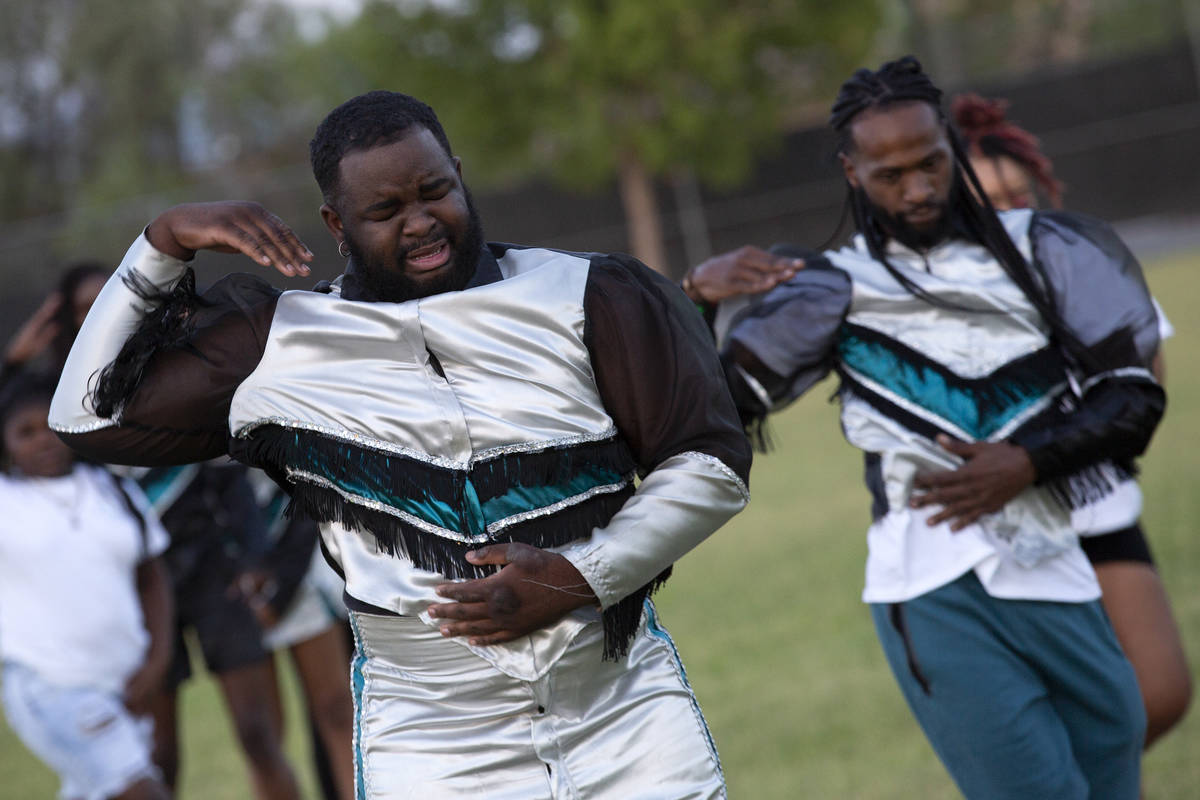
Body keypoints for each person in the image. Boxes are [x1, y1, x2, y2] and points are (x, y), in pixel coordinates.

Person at [49, 90, 751, 798]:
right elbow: (83, 418)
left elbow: (710, 462)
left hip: (624, 712)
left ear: (459, 173)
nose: (421, 223)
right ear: (337, 223)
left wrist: (573, 578)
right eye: (385, 212)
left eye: (435, 191)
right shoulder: (282, 344)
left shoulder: (589, 293)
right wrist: (163, 241)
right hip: (432, 743)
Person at [685, 57, 1162, 798]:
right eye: (890, 174)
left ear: (950, 144)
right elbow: (706, 411)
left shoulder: (1052, 249)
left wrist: (1027, 461)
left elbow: (1133, 397)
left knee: (1115, 764)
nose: (916, 189)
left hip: (1059, 567)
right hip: (934, 588)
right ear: (852, 171)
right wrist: (694, 301)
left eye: (930, 163)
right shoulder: (833, 287)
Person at [953, 92, 1191, 748]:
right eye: (987, 200)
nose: (1007, 211)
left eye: (1017, 194)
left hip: (1100, 506)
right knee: (1077, 716)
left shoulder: (1081, 264)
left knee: (1160, 692)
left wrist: (1095, 439)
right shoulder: (942, 297)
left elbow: (1147, 377)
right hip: (1007, 531)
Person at [0, 370, 173, 800]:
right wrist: (13, 362)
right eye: (24, 432)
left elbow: (153, 580)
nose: (41, 440)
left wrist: (156, 661)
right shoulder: (7, 499)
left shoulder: (115, 491)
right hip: (52, 687)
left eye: (49, 426)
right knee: (141, 792)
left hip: (123, 688)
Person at [136, 462, 303, 800]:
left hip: (215, 570)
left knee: (258, 733)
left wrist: (255, 557)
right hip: (140, 580)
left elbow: (227, 470)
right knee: (159, 755)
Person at [235, 468, 356, 800]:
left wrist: (282, 586)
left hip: (300, 553)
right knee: (259, 732)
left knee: (336, 708)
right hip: (233, 562)